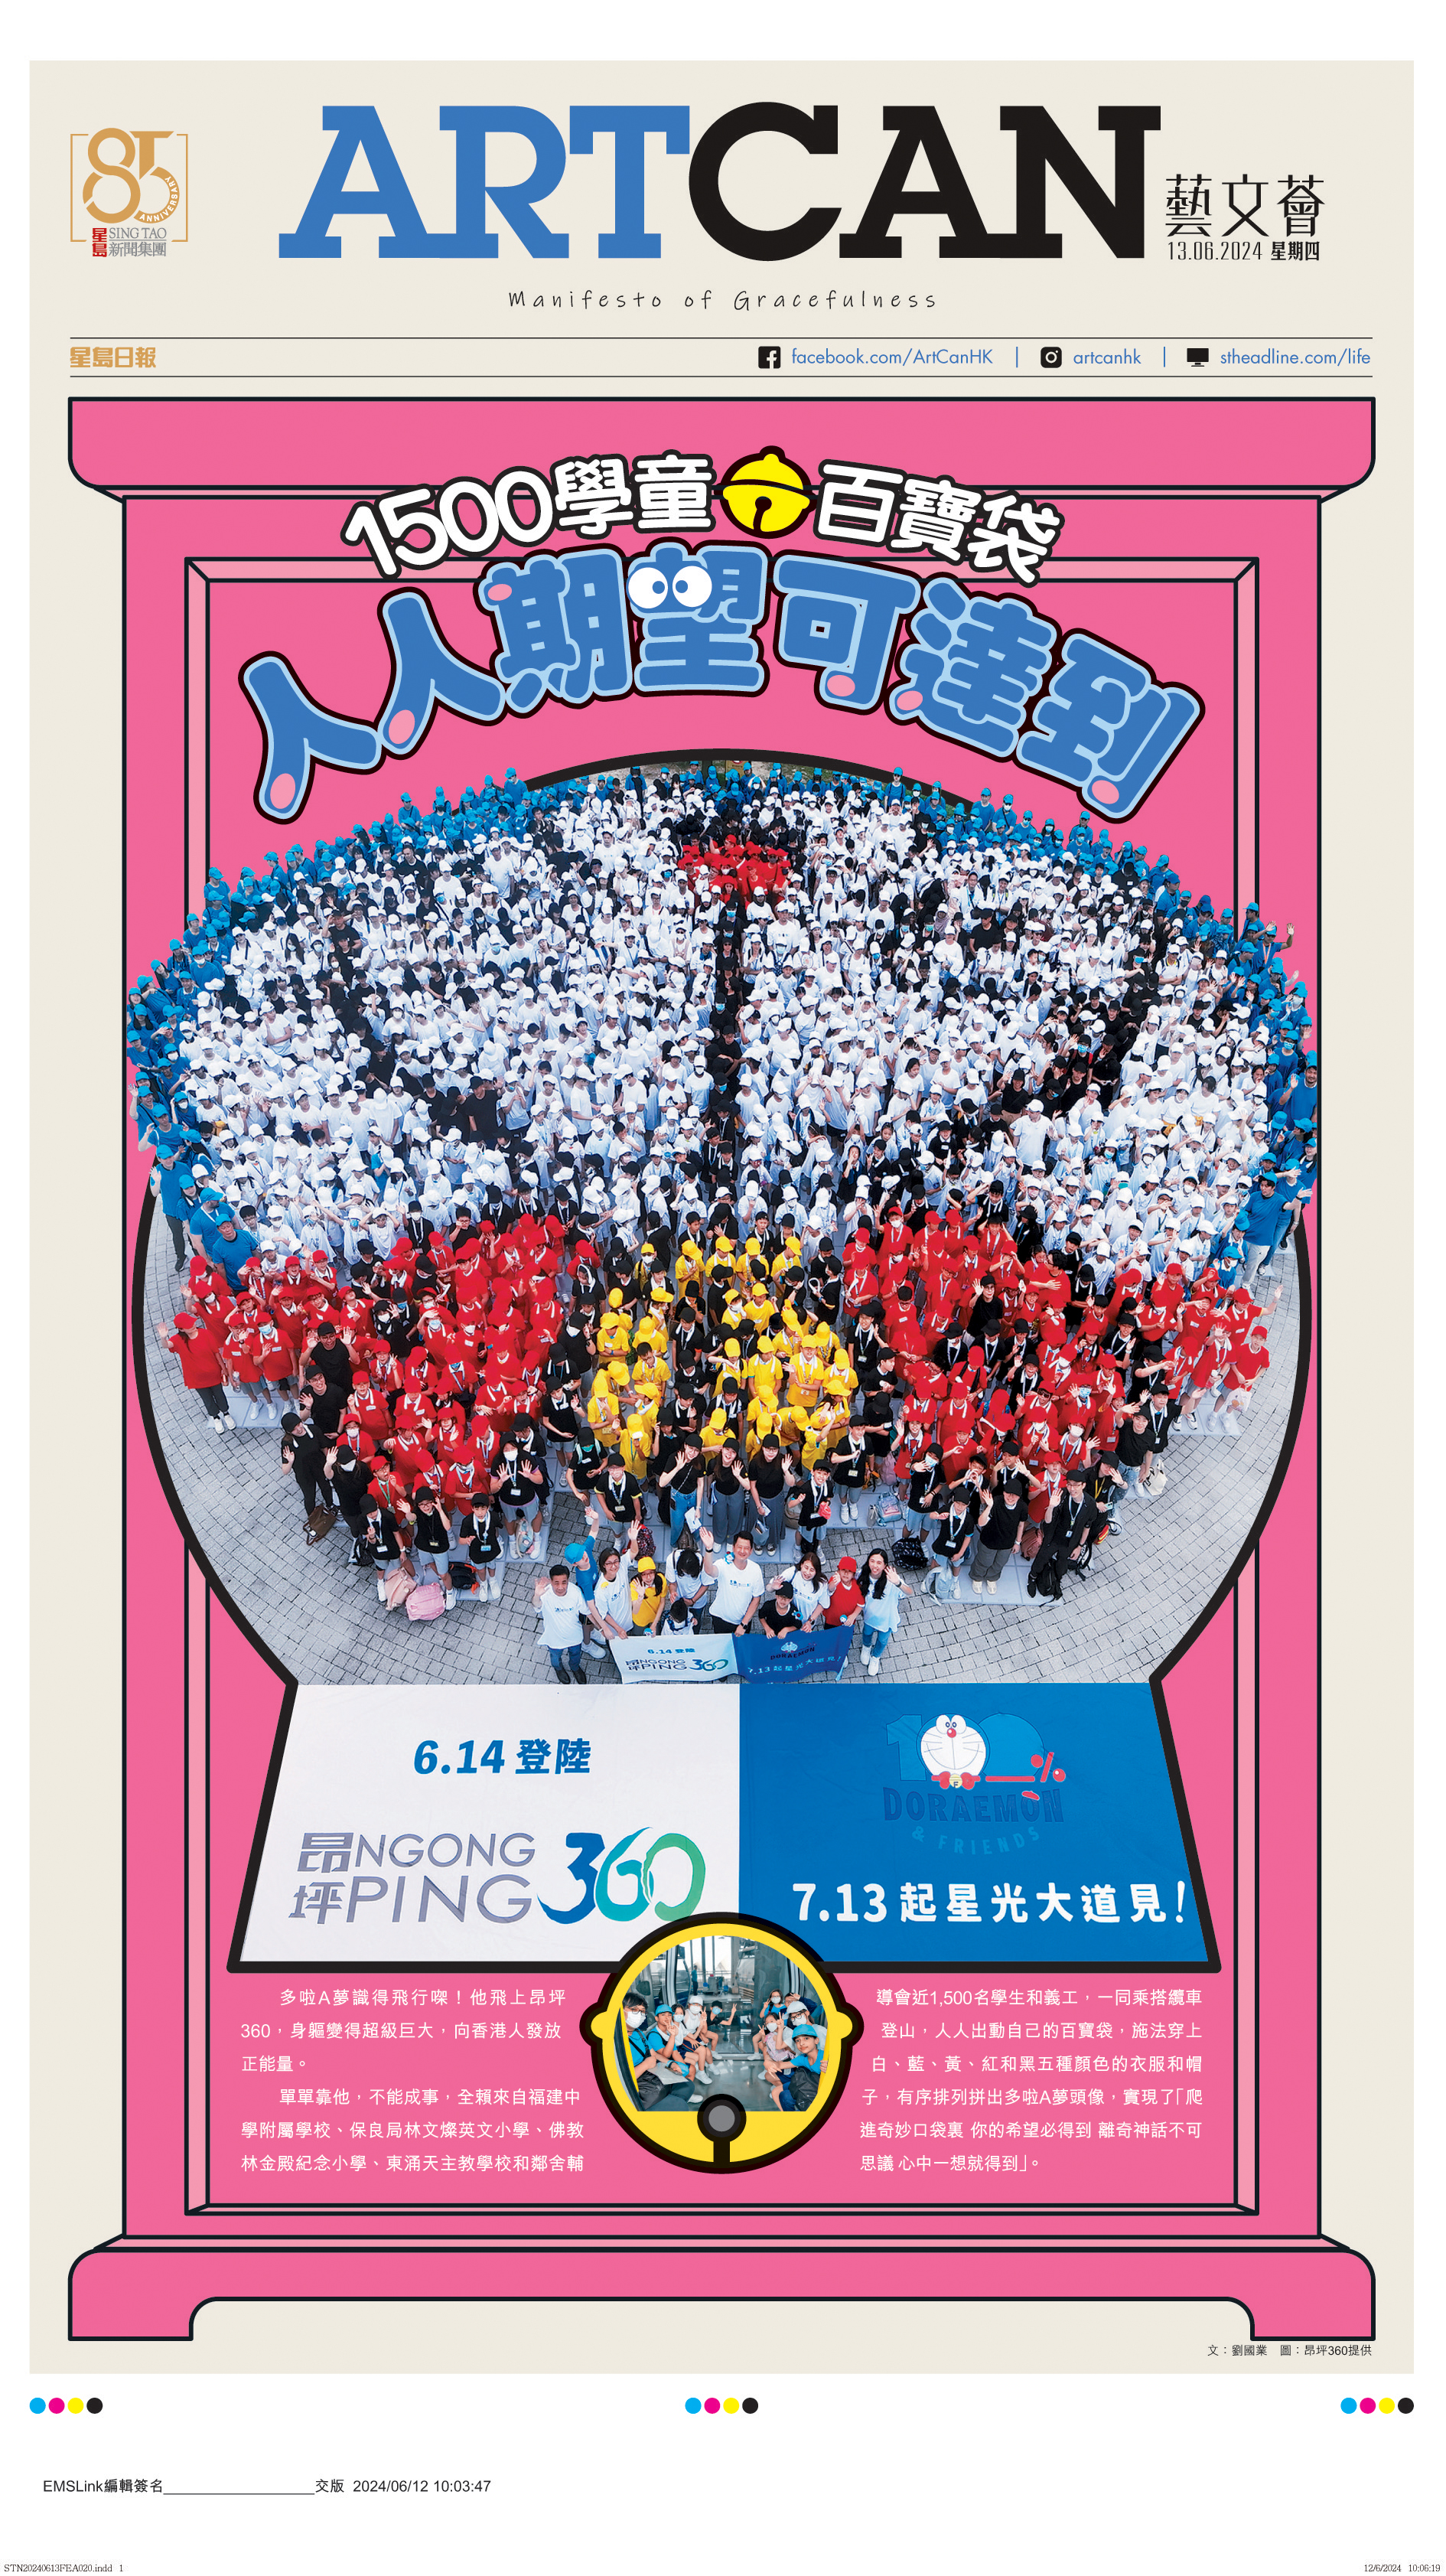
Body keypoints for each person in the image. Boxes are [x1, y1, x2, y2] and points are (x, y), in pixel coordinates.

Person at [532, 1562, 591, 1683]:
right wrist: (537, 1595)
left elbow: (586, 1611)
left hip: (574, 1635)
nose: (560, 1587)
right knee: (555, 1658)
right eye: (556, 1583)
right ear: (551, 1582)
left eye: (564, 1582)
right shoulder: (545, 1593)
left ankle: (575, 1668)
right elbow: (537, 1606)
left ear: (568, 1581)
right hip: (554, 1637)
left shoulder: (575, 1592)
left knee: (576, 1655)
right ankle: (559, 1669)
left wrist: (602, 1628)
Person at [700, 1531, 766, 1635]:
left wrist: (744, 1624)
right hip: (720, 1618)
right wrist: (709, 1549)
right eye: (739, 1547)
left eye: (746, 1548)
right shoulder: (723, 1564)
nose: (742, 1551)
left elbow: (756, 1599)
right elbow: (709, 1570)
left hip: (742, 1621)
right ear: (733, 1548)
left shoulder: (755, 1570)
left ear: (751, 1551)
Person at [859, 1547, 910, 1674]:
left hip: (887, 1619)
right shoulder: (862, 1575)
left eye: (879, 1563)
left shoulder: (891, 1580)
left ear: (885, 1566)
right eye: (872, 1561)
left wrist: (898, 1583)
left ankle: (875, 1656)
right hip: (869, 1616)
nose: (875, 1566)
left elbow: (909, 1592)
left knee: (882, 1640)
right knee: (867, 1633)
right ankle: (866, 1647)